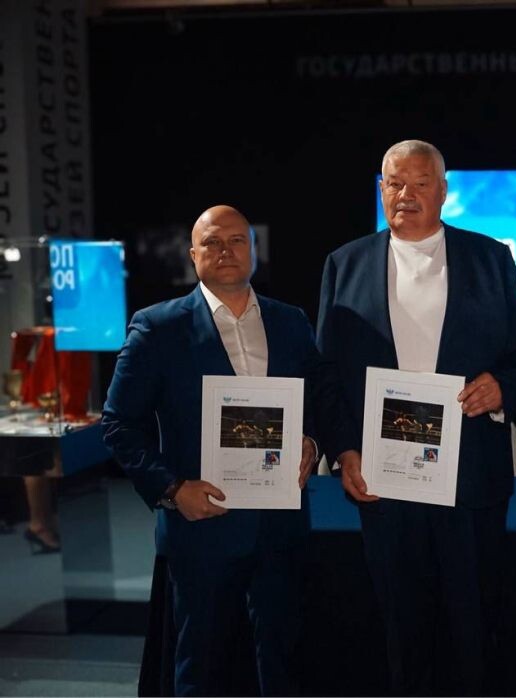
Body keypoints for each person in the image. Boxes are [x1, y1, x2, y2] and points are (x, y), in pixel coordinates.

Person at [316, 139, 516, 694]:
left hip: (471, 479)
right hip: (385, 479)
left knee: (474, 631)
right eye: (395, 183)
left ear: (444, 191)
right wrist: (344, 448)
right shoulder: (344, 264)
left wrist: (502, 387)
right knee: (401, 631)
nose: (407, 195)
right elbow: (325, 375)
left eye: (420, 184)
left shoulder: (490, 258)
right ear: (381, 190)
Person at [102, 205, 354, 696]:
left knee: (283, 660)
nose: (225, 251)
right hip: (202, 527)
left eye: (237, 240)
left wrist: (311, 442)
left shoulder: (290, 322)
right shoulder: (157, 328)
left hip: (280, 526)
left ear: (253, 250)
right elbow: (118, 424)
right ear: (193, 254)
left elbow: (318, 398)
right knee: (201, 665)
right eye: (212, 242)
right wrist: (172, 489)